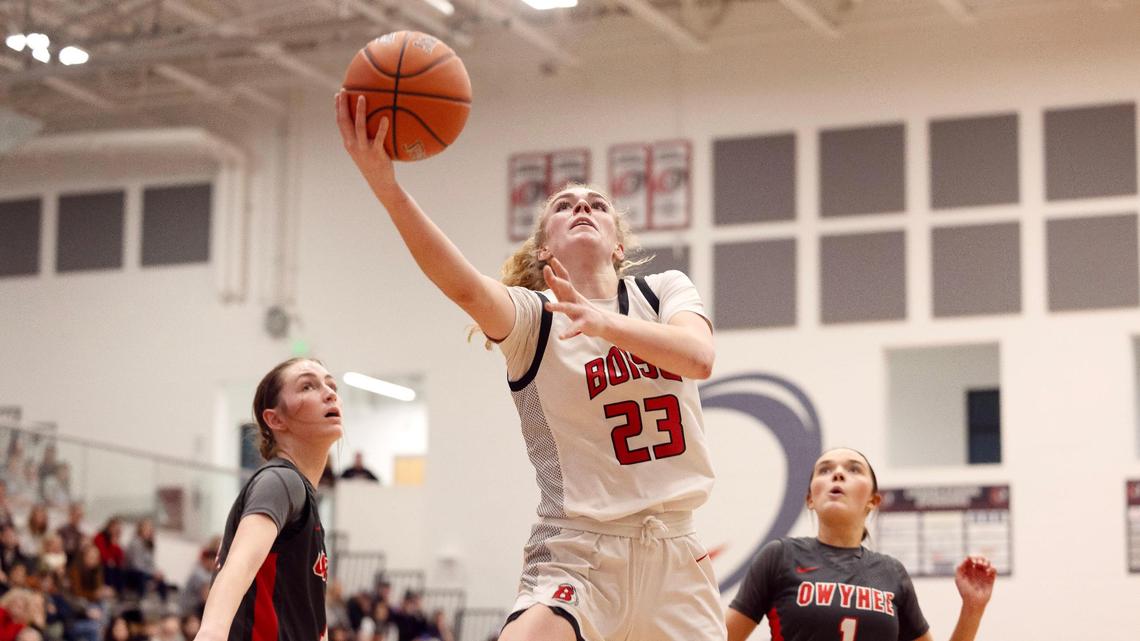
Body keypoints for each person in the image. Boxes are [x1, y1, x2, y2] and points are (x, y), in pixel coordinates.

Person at [337, 94, 722, 641]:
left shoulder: (663, 292)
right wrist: (387, 188)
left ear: (617, 245)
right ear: (545, 251)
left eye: (597, 204)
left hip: (675, 552)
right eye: (564, 206)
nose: (583, 207)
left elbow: (699, 358)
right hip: (578, 549)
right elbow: (464, 285)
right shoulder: (530, 319)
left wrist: (602, 322)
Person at [726, 448, 997, 641]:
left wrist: (972, 609)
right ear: (810, 498)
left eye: (853, 469)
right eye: (825, 470)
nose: (838, 475)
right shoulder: (780, 556)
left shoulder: (891, 572)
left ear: (873, 501)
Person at [191, 358, 342, 641]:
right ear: (275, 419)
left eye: (331, 385)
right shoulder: (281, 481)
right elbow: (242, 563)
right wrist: (210, 634)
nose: (330, 393)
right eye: (308, 386)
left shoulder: (299, 492)